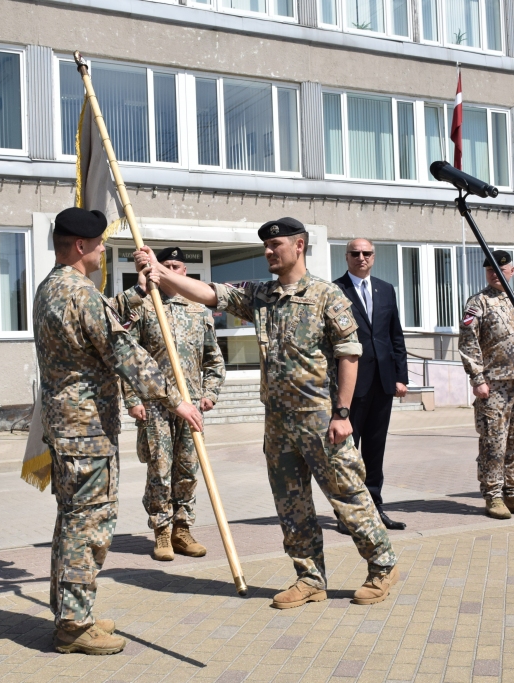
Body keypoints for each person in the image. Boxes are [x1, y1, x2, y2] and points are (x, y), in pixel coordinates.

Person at [137, 217, 399, 609]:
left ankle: (382, 566)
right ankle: (310, 578)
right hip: (278, 422)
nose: (268, 252)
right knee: (291, 505)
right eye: (265, 246)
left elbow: (349, 354)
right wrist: (159, 273)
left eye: (275, 245)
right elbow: (210, 293)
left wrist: (342, 413)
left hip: (321, 418)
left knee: (348, 495)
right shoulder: (261, 295)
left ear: (299, 246)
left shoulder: (327, 295)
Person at [34, 208, 203, 655]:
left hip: (66, 428)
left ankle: (73, 609)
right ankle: (73, 625)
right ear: (80, 246)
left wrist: (145, 286)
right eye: (100, 243)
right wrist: (176, 400)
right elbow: (124, 352)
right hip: (86, 431)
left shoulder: (48, 288)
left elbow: (100, 336)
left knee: (71, 521)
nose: (104, 250)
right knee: (88, 526)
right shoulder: (81, 293)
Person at [124, 245, 226, 561]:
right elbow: (128, 357)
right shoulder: (143, 307)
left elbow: (214, 358)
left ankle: (183, 529)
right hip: (155, 405)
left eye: (177, 266)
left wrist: (210, 392)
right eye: (166, 263)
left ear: (184, 272)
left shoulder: (199, 310)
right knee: (159, 468)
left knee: (188, 469)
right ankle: (162, 532)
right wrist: (131, 399)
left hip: (191, 403)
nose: (172, 269)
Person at [458, 250, 514, 520]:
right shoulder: (478, 303)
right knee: (493, 442)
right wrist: (477, 379)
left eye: (501, 269)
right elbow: (468, 343)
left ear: (512, 271)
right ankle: (493, 496)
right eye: (490, 270)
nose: (496, 274)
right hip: (493, 385)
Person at [333, 238, 408, 531]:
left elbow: (395, 336)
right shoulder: (335, 290)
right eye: (355, 253)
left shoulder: (386, 289)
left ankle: (375, 508)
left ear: (374, 257)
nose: (361, 257)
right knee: (347, 452)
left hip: (383, 383)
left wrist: (400, 376)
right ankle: (347, 513)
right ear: (347, 257)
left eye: (366, 253)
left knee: (375, 450)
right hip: (351, 385)